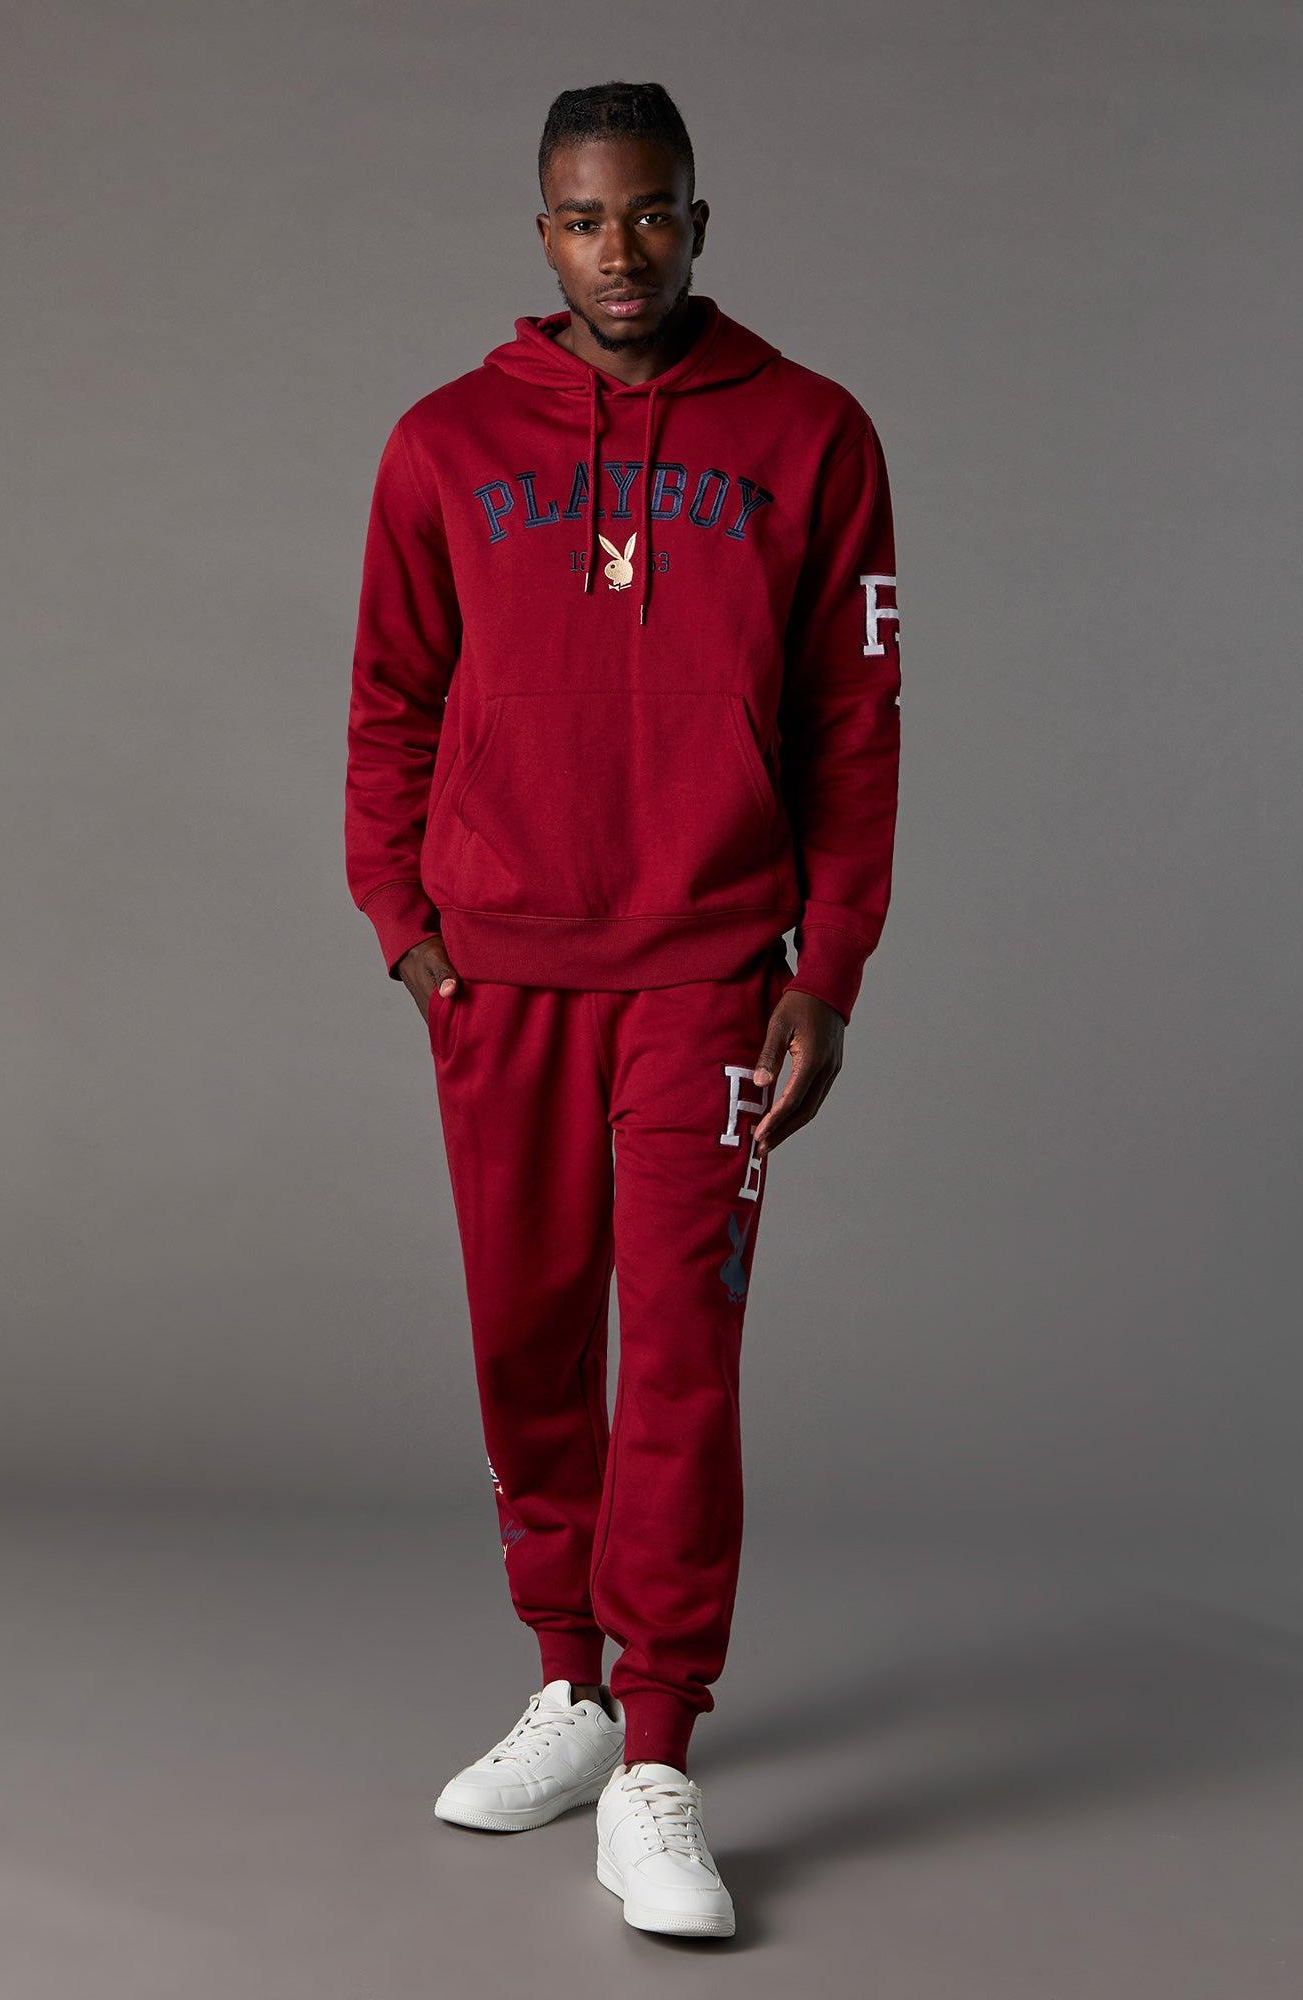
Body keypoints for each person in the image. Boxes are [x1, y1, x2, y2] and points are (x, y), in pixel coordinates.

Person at [343, 79, 901, 1941]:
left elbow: (852, 723)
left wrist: (825, 966)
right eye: (586, 219)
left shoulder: (811, 433)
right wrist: (404, 924)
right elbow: (389, 699)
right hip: (500, 969)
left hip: (709, 974)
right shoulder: (442, 442)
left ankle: (656, 1753)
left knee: (675, 1357)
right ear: (543, 235)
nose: (622, 251)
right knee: (525, 1341)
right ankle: (567, 1689)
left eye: (652, 213)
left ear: (698, 222)